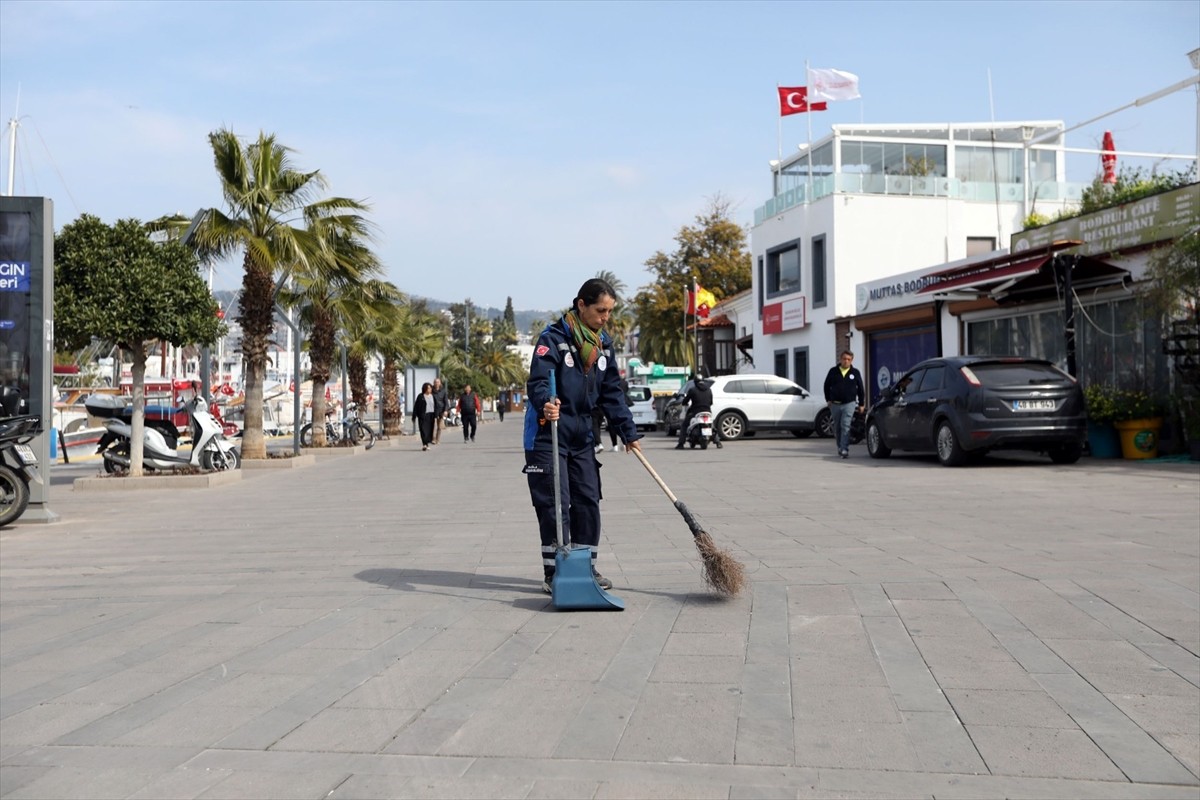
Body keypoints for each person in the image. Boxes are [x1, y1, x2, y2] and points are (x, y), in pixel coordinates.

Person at [524, 278, 643, 594]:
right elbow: (537, 383)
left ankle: (585, 568)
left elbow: (611, 393)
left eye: (609, 311)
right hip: (548, 434)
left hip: (581, 436)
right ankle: (557, 573)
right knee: (555, 503)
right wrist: (546, 404)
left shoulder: (603, 344)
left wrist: (628, 432)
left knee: (588, 499)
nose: (606, 317)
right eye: (600, 310)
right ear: (581, 305)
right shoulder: (553, 339)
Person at [823, 350, 865, 459]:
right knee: (837, 427)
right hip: (835, 404)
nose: (846, 361)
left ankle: (845, 449)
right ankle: (840, 447)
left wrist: (861, 403)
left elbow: (860, 388)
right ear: (840, 359)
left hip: (849, 404)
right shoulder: (833, 371)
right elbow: (826, 385)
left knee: (845, 425)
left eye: (848, 359)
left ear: (851, 361)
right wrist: (828, 399)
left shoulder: (855, 372)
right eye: (844, 359)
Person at [674, 372, 722, 449]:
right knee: (712, 425)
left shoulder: (692, 390)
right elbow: (711, 402)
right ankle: (718, 442)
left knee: (684, 425)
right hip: (707, 411)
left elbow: (685, 401)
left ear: (695, 382)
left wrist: (684, 402)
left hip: (696, 412)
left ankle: (681, 443)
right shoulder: (709, 390)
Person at [412, 382, 437, 451]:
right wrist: (414, 416)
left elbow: (436, 406)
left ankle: (427, 443)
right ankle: (424, 444)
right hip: (423, 416)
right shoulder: (421, 396)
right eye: (428, 388)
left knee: (429, 430)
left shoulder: (433, 396)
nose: (430, 389)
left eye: (430, 388)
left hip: (431, 415)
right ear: (425, 389)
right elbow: (416, 407)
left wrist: (436, 415)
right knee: (423, 430)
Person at [431, 378, 449, 445]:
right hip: (433, 410)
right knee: (433, 425)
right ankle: (433, 439)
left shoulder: (443, 391)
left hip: (441, 410)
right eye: (435, 382)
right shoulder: (431, 391)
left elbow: (446, 402)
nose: (436, 383)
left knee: (439, 426)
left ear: (440, 383)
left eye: (438, 382)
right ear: (433, 383)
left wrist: (445, 410)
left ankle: (437, 440)